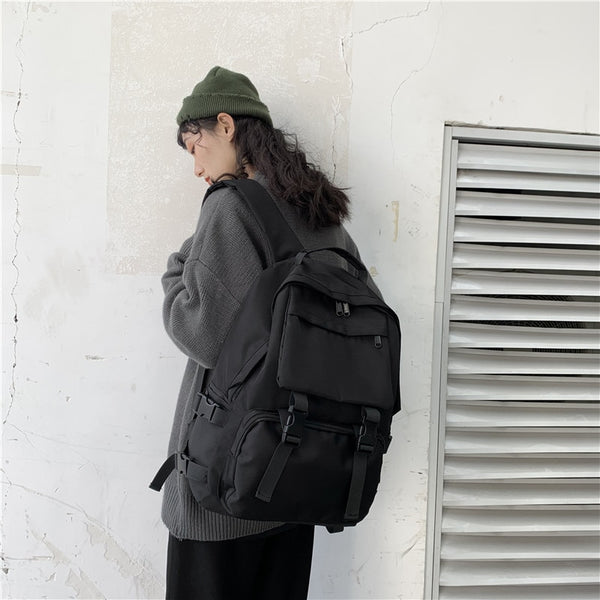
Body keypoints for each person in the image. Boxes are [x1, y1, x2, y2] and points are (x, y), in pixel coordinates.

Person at [160, 65, 377, 600]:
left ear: (227, 126)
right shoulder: (325, 216)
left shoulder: (230, 206)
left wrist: (174, 272)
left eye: (195, 145)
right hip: (296, 475)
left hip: (224, 489)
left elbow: (203, 333)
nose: (195, 166)